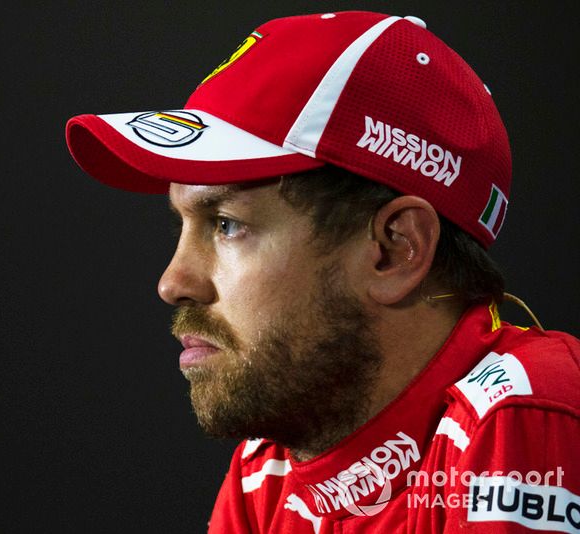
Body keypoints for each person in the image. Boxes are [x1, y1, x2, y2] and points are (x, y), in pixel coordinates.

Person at [65, 10, 580, 533]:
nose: (173, 283)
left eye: (226, 224)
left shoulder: (529, 412)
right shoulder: (265, 471)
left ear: (394, 249)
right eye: (183, 224)